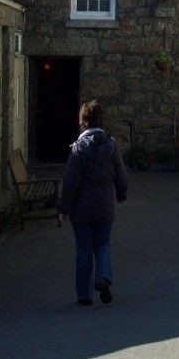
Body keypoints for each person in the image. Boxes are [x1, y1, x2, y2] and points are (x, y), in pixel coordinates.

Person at [58, 100, 129, 306]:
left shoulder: (78, 150)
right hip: (105, 204)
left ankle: (84, 294)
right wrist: (121, 193)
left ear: (83, 122)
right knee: (103, 244)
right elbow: (121, 174)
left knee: (83, 248)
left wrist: (64, 208)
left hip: (82, 208)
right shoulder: (111, 145)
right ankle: (103, 277)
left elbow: (70, 182)